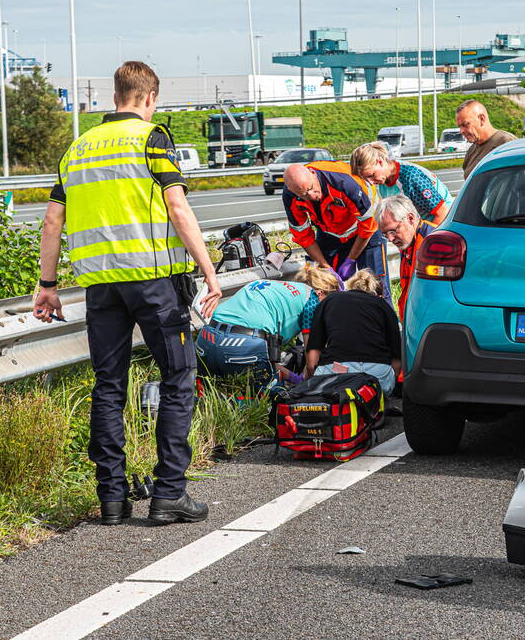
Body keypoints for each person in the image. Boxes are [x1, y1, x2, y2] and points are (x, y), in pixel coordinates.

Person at [34, 61, 222, 526]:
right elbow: (177, 205)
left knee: (109, 385)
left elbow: (53, 221)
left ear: (115, 95)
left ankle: (112, 499)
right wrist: (209, 271)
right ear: (150, 97)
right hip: (154, 282)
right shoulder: (151, 138)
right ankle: (169, 494)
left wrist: (48, 285)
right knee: (178, 377)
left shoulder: (77, 149)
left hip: (100, 286)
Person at [196, 265, 341, 387]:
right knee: (275, 400)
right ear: (321, 293)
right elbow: (311, 365)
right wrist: (304, 384)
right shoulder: (313, 300)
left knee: (222, 391)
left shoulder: (276, 287)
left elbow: (268, 358)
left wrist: (292, 377)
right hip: (243, 346)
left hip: (206, 339)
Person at [282, 161, 391, 301]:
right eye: (304, 194)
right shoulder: (290, 195)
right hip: (330, 233)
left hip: (368, 229)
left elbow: (368, 226)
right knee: (322, 283)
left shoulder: (344, 183)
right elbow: (303, 236)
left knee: (376, 286)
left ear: (313, 174)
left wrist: (351, 259)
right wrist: (325, 266)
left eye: (311, 188)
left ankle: (386, 313)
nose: (312, 196)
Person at [304, 269, 402, 395]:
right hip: (377, 376)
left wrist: (313, 382)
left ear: (350, 286)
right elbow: (396, 358)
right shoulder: (382, 305)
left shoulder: (329, 301)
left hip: (336, 370)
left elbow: (312, 361)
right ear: (378, 294)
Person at [349, 141, 454, 226]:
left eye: (371, 175)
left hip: (445, 223)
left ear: (380, 162)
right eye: (365, 179)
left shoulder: (410, 177)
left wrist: (425, 240)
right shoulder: (383, 181)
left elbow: (443, 212)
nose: (371, 183)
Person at [374, 194, 437, 318]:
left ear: (410, 219)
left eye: (393, 231)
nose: (390, 239)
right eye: (385, 234)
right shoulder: (408, 241)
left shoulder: (433, 243)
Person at [455, 99, 517, 179]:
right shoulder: (471, 151)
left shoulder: (506, 143)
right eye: (459, 126)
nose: (461, 131)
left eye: (465, 124)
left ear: (482, 119)